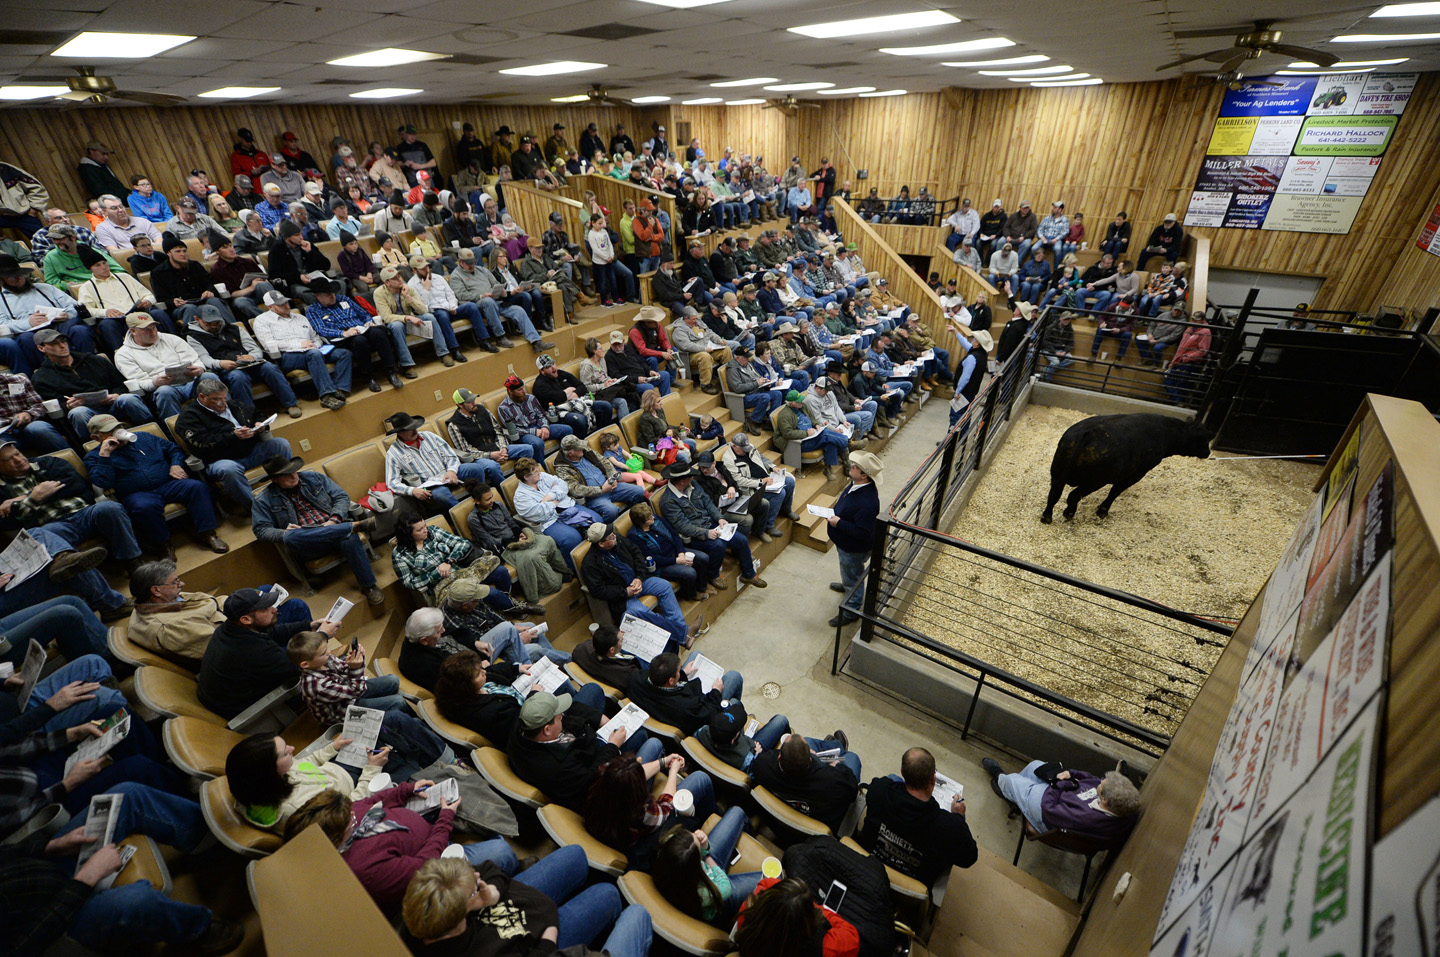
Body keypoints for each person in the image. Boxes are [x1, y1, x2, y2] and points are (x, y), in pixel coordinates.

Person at [284, 782, 515, 914]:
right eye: (351, 819)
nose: (355, 814)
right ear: (334, 840)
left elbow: (371, 802)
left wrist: (406, 790)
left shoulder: (340, 815)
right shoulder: (366, 870)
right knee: (502, 852)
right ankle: (514, 870)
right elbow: (426, 865)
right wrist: (445, 820)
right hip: (437, 855)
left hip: (424, 825)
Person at [399, 850, 653, 957]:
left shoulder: (428, 899)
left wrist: (493, 894)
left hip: (519, 901)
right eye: (474, 887)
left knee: (576, 853)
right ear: (457, 919)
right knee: (611, 896)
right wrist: (549, 935)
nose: (478, 877)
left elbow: (488, 870)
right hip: (542, 934)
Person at [0, 438, 140, 619]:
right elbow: (7, 523)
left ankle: (133, 563)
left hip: (84, 513)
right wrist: (34, 497)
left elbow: (75, 485)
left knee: (109, 508)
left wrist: (23, 500)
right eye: (9, 460)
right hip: (51, 528)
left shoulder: (48, 463)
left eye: (17, 453)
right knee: (52, 550)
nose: (18, 459)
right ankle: (108, 602)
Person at [83, 413, 227, 558]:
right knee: (144, 507)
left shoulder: (144, 437)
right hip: (137, 494)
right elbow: (103, 482)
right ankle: (164, 544)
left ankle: (208, 534)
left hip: (167, 484)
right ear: (96, 438)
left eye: (118, 427)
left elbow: (174, 449)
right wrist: (105, 455)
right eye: (110, 432)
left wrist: (175, 465)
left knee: (197, 487)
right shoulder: (95, 457)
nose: (117, 432)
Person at [252, 455, 383, 604]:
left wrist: (334, 520)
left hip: (334, 527)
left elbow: (341, 496)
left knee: (349, 539)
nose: (293, 475)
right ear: (274, 479)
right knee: (290, 537)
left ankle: (369, 586)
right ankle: (352, 526)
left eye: (293, 470)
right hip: (309, 543)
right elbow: (261, 530)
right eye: (285, 474)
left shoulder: (313, 477)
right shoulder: (264, 499)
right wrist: (283, 532)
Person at [196, 586, 338, 719]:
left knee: (296, 607)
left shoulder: (230, 627)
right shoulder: (255, 651)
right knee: (329, 672)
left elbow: (270, 632)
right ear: (246, 619)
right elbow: (301, 670)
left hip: (235, 688)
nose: (274, 609)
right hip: (248, 710)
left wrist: (308, 626)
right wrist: (322, 637)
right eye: (265, 608)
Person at [510, 691, 657, 813]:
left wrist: (600, 719)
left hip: (579, 738)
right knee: (641, 736)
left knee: (592, 689)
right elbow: (593, 777)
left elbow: (569, 710)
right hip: (592, 758)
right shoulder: (561, 768)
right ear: (547, 729)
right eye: (559, 716)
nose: (562, 715)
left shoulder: (523, 724)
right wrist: (612, 745)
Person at [860, 747, 977, 888]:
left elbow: (877, 791)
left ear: (903, 772)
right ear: (933, 779)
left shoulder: (879, 790)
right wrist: (958, 817)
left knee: (892, 778)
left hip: (866, 871)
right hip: (909, 892)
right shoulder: (949, 827)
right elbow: (969, 858)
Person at [224, 730, 383, 832]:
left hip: (337, 770)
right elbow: (351, 808)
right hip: (358, 788)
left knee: (388, 721)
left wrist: (332, 748)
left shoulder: (260, 782)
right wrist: (372, 770)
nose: (292, 748)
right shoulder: (298, 810)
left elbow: (305, 764)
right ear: (270, 772)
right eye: (286, 753)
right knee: (391, 733)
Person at [173, 377, 292, 511]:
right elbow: (200, 444)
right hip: (220, 460)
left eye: (224, 398)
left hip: (250, 451)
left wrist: (260, 425)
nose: (222, 403)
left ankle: (289, 489)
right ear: (202, 397)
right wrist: (232, 435)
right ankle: (257, 510)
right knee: (228, 469)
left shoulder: (233, 404)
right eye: (216, 399)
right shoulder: (188, 417)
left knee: (281, 444)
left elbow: (257, 414)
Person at [584, 751, 714, 871]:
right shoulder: (642, 815)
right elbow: (667, 804)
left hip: (610, 828)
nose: (640, 759)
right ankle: (712, 817)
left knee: (654, 743)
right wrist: (673, 772)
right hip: (636, 839)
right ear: (639, 791)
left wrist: (663, 761)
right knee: (701, 778)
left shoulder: (597, 784)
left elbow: (624, 779)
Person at [580, 521, 692, 644]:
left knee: (664, 586)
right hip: (623, 597)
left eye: (613, 534)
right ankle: (681, 636)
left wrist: (639, 577)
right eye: (610, 537)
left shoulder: (619, 541)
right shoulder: (590, 564)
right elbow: (598, 590)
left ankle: (680, 631)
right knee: (642, 613)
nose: (615, 536)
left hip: (639, 581)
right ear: (601, 544)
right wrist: (625, 592)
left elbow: (637, 553)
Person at [982, 757, 1141, 843]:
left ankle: (1000, 778)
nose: (1101, 781)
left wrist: (1060, 785)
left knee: (1013, 780)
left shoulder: (1083, 818)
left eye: (1103, 784)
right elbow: (1092, 780)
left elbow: (1048, 808)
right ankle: (1015, 798)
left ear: (1105, 800)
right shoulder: (1122, 804)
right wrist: (1071, 774)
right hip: (1065, 795)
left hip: (1049, 810)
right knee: (1035, 766)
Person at [660, 462, 767, 588]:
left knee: (741, 539)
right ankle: (713, 575)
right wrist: (706, 533)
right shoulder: (668, 501)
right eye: (689, 476)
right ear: (682, 481)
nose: (692, 478)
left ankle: (749, 574)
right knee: (718, 545)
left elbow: (708, 503)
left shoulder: (693, 485)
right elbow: (683, 526)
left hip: (711, 523)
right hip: (693, 536)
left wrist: (719, 518)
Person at [185, 303, 302, 417]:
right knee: (238, 377)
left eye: (217, 322)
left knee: (270, 368)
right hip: (225, 370)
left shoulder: (234, 328)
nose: (214, 325)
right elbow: (204, 358)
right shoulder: (193, 336)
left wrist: (252, 356)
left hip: (250, 364)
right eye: (209, 323)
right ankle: (249, 415)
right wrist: (220, 363)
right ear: (197, 319)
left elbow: (255, 349)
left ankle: (291, 404)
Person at [652, 813, 764, 927]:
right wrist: (707, 855)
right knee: (773, 878)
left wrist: (704, 847)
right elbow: (725, 886)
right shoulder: (701, 895)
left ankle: (749, 829)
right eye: (698, 845)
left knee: (737, 812)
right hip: (717, 894)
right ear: (696, 863)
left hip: (705, 865)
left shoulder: (668, 852)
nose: (696, 834)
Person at [392, 509, 516, 610]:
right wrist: (436, 573)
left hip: (463, 570)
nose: (425, 530)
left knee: (501, 572)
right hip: (443, 586)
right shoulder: (399, 555)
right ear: (408, 534)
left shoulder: (433, 531)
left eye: (425, 525)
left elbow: (462, 543)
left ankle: (505, 604)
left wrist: (449, 561)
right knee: (489, 592)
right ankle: (512, 608)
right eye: (420, 530)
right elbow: (409, 582)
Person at [467, 483, 571, 603]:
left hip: (516, 538)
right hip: (503, 548)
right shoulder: (474, 518)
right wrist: (512, 541)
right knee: (531, 557)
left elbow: (511, 523)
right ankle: (552, 582)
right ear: (477, 501)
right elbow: (489, 541)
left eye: (492, 497)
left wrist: (520, 534)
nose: (492, 500)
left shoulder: (499, 505)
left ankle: (561, 570)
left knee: (547, 540)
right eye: (488, 499)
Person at [305, 278, 407, 392]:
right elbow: (321, 329)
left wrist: (369, 322)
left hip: (361, 328)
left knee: (378, 332)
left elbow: (364, 313)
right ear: (318, 295)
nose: (332, 296)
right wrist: (343, 333)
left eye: (333, 293)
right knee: (359, 341)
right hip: (342, 337)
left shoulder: (344, 299)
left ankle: (391, 372)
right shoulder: (312, 310)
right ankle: (369, 378)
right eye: (328, 294)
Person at [250, 291, 349, 408]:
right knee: (314, 354)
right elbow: (269, 344)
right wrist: (300, 345)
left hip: (313, 351)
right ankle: (326, 396)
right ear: (270, 307)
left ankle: (339, 389)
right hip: (287, 356)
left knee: (344, 354)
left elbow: (315, 337)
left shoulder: (300, 317)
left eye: (286, 302)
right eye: (281, 304)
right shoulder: (262, 321)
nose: (286, 305)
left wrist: (315, 345)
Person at [749, 732, 861, 835]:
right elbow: (852, 789)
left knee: (805, 742)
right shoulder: (833, 780)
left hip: (779, 825)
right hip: (812, 832)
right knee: (852, 757)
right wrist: (837, 765)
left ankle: (835, 744)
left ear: (779, 757)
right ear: (811, 760)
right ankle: (838, 746)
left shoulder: (762, 764)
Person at [384, 411, 494, 512]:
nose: (414, 430)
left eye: (414, 426)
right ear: (399, 433)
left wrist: (451, 470)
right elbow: (392, 482)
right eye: (410, 429)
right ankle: (466, 514)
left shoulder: (430, 436)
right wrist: (412, 491)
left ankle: (483, 502)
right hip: (429, 485)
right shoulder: (393, 454)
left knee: (476, 469)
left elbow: (450, 455)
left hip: (447, 472)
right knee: (442, 494)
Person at [826, 451, 881, 628]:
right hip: (844, 543)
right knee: (848, 571)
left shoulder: (867, 503)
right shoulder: (856, 484)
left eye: (855, 467)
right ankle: (847, 583)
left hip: (853, 548)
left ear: (864, 475)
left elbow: (862, 533)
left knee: (853, 576)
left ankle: (852, 610)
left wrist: (839, 523)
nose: (851, 466)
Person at [719, 432, 796, 542]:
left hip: (766, 478)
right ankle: (769, 526)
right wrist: (761, 482)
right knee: (780, 493)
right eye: (743, 449)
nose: (746, 450)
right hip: (752, 488)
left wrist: (772, 467)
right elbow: (739, 481)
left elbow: (762, 458)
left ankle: (786, 510)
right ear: (734, 446)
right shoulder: (728, 459)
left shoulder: (749, 447)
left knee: (790, 481)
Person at [554, 435, 645, 522]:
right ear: (570, 453)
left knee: (639, 491)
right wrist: (601, 489)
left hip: (610, 485)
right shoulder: (562, 468)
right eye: (578, 448)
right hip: (593, 497)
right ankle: (607, 531)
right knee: (611, 510)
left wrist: (612, 477)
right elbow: (575, 489)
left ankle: (631, 517)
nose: (582, 448)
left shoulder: (586, 450)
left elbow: (605, 461)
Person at [775, 390, 849, 482]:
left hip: (813, 436)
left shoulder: (802, 406)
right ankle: (848, 443)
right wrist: (806, 434)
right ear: (791, 403)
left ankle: (828, 468)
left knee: (830, 441)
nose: (801, 402)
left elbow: (812, 418)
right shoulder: (784, 415)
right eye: (798, 402)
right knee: (826, 435)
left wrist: (816, 424)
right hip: (800, 443)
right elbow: (787, 433)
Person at [532, 354, 610, 436]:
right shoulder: (539, 385)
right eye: (548, 367)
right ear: (542, 371)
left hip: (578, 402)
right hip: (558, 412)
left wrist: (574, 394)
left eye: (553, 364)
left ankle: (602, 436)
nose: (553, 368)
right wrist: (568, 390)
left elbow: (582, 387)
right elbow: (556, 398)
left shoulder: (561, 373)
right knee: (579, 419)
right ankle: (582, 444)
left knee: (605, 406)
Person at [496, 375, 569, 459]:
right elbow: (513, 430)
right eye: (519, 390)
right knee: (537, 443)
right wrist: (534, 432)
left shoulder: (531, 398)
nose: (523, 391)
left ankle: (565, 459)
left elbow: (541, 415)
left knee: (566, 429)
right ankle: (541, 468)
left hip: (539, 426)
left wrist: (544, 427)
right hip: (523, 434)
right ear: (510, 391)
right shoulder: (503, 408)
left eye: (523, 388)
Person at [0, 369, 66, 455]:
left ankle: (72, 463)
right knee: (3, 448)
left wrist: (29, 414)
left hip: (26, 425)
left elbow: (39, 405)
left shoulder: (18, 380)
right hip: (2, 434)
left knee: (39, 428)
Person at [673, 308, 734, 396]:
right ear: (686, 318)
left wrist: (719, 340)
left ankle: (729, 377)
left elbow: (710, 333)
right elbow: (686, 346)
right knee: (705, 356)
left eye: (696, 318)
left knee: (726, 349)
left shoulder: (699, 323)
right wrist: (704, 349)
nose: (696, 321)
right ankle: (705, 385)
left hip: (707, 348)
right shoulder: (679, 330)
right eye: (693, 319)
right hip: (692, 354)